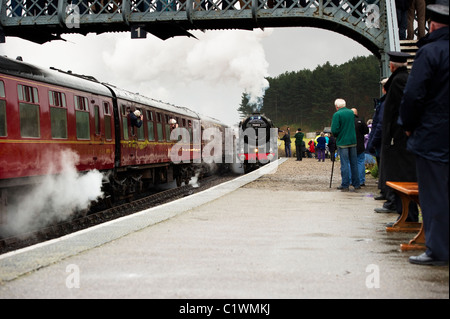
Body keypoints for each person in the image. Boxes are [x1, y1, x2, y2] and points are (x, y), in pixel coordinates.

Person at [399, 3, 449, 266]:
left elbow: (414, 94)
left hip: (434, 136)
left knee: (435, 195)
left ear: (431, 24)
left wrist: (408, 124)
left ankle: (438, 250)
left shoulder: (429, 52)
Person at [376, 51, 419, 226]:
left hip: (398, 138)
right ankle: (405, 214)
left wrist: (402, 129)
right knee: (398, 174)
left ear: (392, 65)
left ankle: (408, 216)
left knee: (401, 174)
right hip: (397, 137)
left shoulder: (399, 80)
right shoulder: (401, 79)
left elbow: (405, 106)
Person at [331, 98, 360, 191]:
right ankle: (356, 184)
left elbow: (334, 130)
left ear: (337, 106)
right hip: (353, 141)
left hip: (343, 142)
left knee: (344, 164)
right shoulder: (351, 113)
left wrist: (337, 134)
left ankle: (345, 184)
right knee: (354, 163)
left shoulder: (337, 114)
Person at [366, 78, 388, 200]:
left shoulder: (384, 103)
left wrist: (373, 141)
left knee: (384, 166)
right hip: (382, 140)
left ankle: (386, 192)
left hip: (382, 141)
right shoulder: (383, 103)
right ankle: (385, 191)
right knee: (382, 166)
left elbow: (379, 124)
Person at [351, 108, 369, 186]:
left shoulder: (348, 122)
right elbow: (366, 131)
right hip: (360, 145)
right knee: (360, 162)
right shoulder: (360, 121)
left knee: (350, 163)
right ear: (357, 114)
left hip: (350, 145)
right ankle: (361, 181)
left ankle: (351, 180)